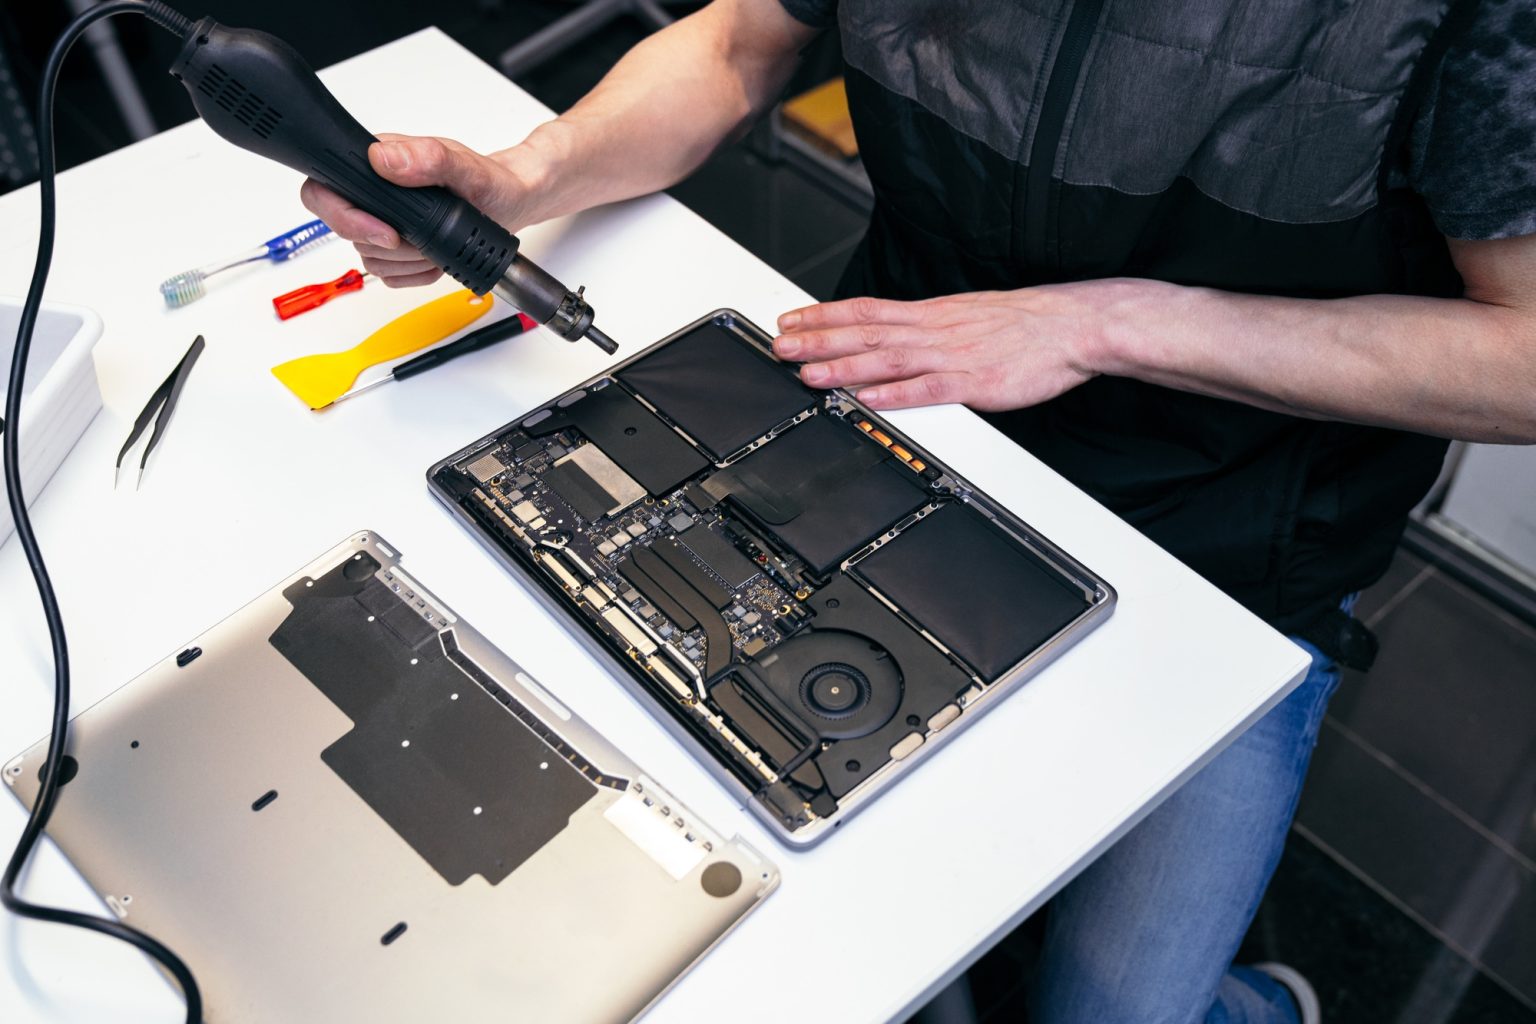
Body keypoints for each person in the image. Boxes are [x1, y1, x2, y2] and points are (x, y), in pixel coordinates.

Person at [302, 1, 1536, 1020]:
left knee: (1116, 1009)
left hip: (1235, 533)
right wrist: (532, 173)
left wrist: (1103, 321)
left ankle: (1258, 1009)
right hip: (902, 421)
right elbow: (741, 42)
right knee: (841, 924)